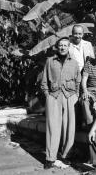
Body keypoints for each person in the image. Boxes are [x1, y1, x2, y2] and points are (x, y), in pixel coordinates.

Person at [41, 37, 81, 169]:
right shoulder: (50, 61)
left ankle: (65, 155)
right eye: (61, 45)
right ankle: (50, 158)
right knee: (52, 127)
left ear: (69, 47)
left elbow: (78, 81)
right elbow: (44, 81)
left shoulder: (74, 63)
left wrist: (76, 96)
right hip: (53, 96)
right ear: (57, 47)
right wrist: (47, 95)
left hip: (70, 97)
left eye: (65, 45)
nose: (63, 47)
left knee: (69, 128)